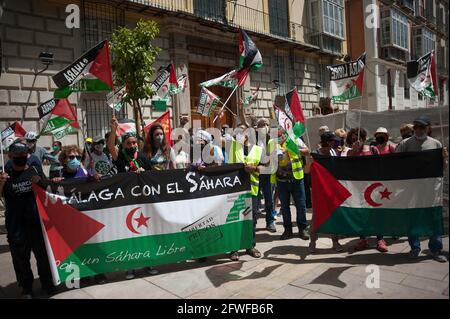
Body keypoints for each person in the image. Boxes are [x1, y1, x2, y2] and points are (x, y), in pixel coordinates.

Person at [0, 142, 54, 298]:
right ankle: (26, 287)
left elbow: (48, 190)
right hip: (16, 225)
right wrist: (2, 181)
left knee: (42, 256)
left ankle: (47, 283)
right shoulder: (5, 174)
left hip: (36, 222)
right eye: (18, 155)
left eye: (24, 155)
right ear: (10, 156)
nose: (22, 158)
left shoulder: (34, 170)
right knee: (20, 259)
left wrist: (40, 181)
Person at [107, 116, 155, 278]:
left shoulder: (142, 157)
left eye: (134, 143)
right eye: (129, 143)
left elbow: (152, 177)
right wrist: (114, 130)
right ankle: (130, 266)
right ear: (123, 145)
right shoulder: (119, 157)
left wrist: (143, 174)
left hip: (143, 202)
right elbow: (110, 147)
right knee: (129, 236)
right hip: (126, 203)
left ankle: (148, 263)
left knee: (146, 235)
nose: (132, 145)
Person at [396, 116, 448, 262]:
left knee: (434, 218)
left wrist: (444, 159)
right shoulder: (405, 144)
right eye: (417, 127)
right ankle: (415, 248)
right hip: (411, 190)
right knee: (413, 218)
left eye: (422, 127)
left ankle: (436, 249)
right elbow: (394, 163)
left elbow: (442, 168)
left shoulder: (436, 144)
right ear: (413, 128)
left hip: (431, 190)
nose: (419, 130)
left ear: (428, 128)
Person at [344, 128, 388, 253]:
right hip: (358, 188)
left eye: (358, 138)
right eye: (352, 139)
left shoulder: (372, 149)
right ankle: (363, 239)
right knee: (361, 214)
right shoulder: (350, 152)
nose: (356, 140)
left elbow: (380, 165)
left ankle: (380, 239)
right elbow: (347, 166)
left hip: (373, 186)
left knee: (376, 213)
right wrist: (354, 151)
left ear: (363, 138)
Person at [227, 124, 265, 260]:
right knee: (235, 218)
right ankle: (233, 249)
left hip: (252, 189)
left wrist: (254, 168)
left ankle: (250, 245)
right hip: (236, 190)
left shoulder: (258, 149)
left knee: (252, 218)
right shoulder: (233, 147)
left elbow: (266, 167)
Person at [309, 132, 343, 252]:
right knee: (317, 216)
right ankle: (312, 242)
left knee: (334, 215)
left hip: (331, 190)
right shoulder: (315, 154)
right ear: (328, 142)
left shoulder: (334, 152)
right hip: (318, 190)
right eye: (333, 141)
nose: (335, 142)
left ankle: (335, 242)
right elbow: (309, 171)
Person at [276, 131, 310, 241]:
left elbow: (307, 151)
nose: (280, 137)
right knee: (285, 207)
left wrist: (295, 150)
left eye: (281, 135)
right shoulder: (271, 143)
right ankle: (288, 230)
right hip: (281, 180)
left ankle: (303, 229)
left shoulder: (295, 140)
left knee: (301, 205)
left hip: (297, 178)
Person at [255, 118, 277, 233]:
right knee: (254, 200)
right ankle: (252, 223)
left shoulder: (271, 140)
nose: (265, 126)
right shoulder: (253, 138)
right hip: (255, 172)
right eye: (262, 125)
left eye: (267, 124)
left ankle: (270, 222)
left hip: (267, 173)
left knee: (269, 199)